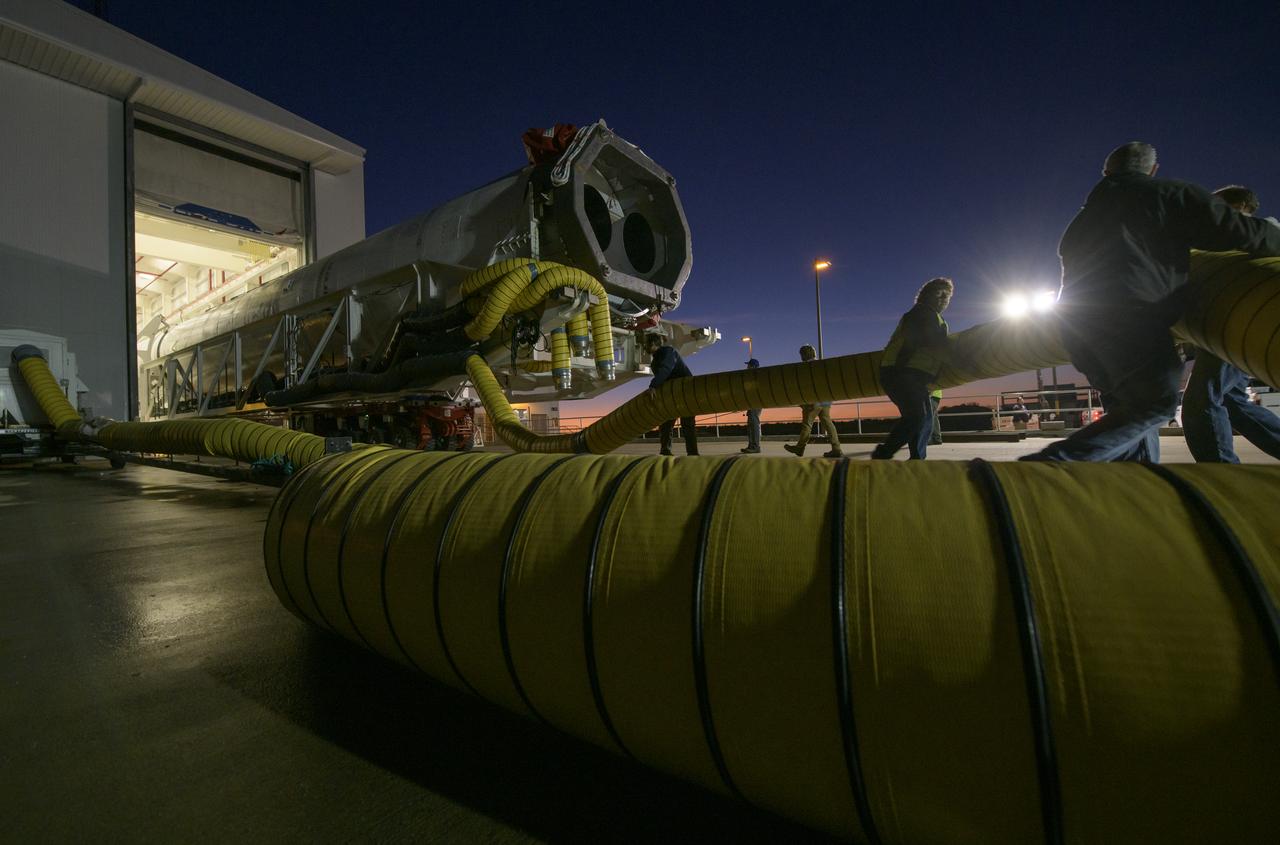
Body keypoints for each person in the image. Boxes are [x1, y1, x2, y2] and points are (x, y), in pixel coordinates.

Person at [1023, 142, 1280, 462]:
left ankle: (1141, 490)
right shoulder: (1168, 195)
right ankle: (1055, 463)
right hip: (1132, 321)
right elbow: (1238, 232)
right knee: (1154, 405)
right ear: (1153, 169)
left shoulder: (1082, 220)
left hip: (1079, 330)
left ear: (1107, 172)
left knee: (1127, 411)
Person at [1181, 185, 1280, 462]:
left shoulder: (1253, 233)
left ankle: (1221, 474)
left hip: (1239, 325)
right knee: (1233, 402)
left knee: (1202, 399)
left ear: (1236, 208)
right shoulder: (1233, 239)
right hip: (1225, 328)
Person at [872, 277, 954, 460]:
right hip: (904, 372)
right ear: (931, 296)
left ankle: (913, 460)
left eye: (946, 297)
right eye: (941, 295)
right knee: (918, 417)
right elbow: (924, 343)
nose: (944, 300)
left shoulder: (927, 315)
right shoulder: (923, 314)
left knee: (920, 419)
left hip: (909, 374)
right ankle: (885, 454)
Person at [783, 345, 844, 458]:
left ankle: (800, 448)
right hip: (826, 400)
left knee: (807, 424)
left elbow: (804, 386)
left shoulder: (806, 367)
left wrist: (802, 401)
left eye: (802, 354)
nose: (801, 357)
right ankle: (836, 448)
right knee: (828, 424)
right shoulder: (822, 365)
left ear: (805, 354)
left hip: (813, 400)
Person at [644, 332, 698, 456]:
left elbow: (666, 370)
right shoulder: (654, 362)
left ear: (652, 344)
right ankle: (665, 450)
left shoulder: (669, 352)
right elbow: (663, 377)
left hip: (686, 392)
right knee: (666, 423)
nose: (644, 347)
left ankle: (693, 454)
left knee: (688, 424)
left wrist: (653, 385)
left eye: (645, 344)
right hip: (671, 395)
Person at [741, 358, 762, 453]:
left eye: (748, 365)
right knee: (750, 424)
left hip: (755, 402)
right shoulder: (753, 376)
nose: (747, 367)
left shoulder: (756, 376)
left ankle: (755, 446)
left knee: (753, 424)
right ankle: (751, 445)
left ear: (753, 366)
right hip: (752, 402)